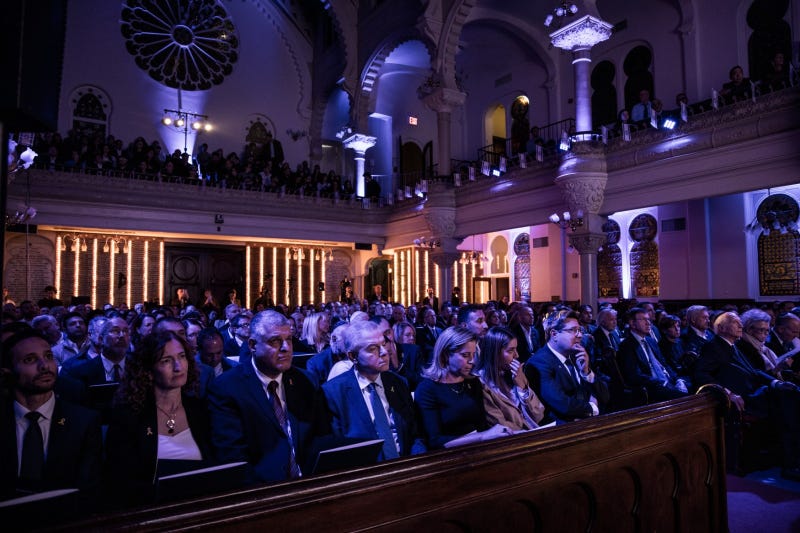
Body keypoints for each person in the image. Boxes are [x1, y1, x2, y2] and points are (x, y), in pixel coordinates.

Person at [208, 310, 330, 484]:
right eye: (275, 341)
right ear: (252, 345)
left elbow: (322, 437)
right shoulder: (227, 389)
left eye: (289, 339)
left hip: (311, 483)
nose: (286, 348)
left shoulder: (306, 381)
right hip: (261, 491)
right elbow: (233, 458)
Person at [105, 331, 213, 504]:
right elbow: (120, 481)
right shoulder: (129, 416)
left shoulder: (199, 409)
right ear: (148, 370)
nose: (178, 366)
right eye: (166, 360)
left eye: (182, 356)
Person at [694, 312, 800, 482]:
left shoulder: (733, 345)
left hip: (755, 391)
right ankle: (790, 463)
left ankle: (791, 460)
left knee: (790, 393)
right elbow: (701, 374)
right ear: (721, 328)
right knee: (789, 402)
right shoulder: (713, 346)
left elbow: (754, 371)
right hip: (743, 397)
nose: (740, 326)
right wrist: (728, 393)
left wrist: (775, 383)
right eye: (735, 323)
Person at [0, 330, 102, 500]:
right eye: (30, 360)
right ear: (7, 371)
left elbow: (89, 490)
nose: (44, 366)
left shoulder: (83, 422)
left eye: (48, 356)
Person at [322, 320, 426, 461]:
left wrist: (417, 462)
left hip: (405, 466)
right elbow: (338, 451)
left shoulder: (399, 383)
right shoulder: (333, 392)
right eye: (373, 349)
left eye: (383, 344)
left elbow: (415, 434)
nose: (384, 352)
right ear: (353, 356)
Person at [414, 327, 513, 449]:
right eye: (465, 355)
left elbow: (481, 425)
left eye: (473, 355)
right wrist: (482, 436)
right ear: (445, 355)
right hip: (448, 457)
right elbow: (435, 440)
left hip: (478, 449)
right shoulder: (427, 389)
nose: (472, 361)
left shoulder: (473, 382)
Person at [525, 311, 609, 423]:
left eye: (580, 330)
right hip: (561, 429)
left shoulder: (577, 354)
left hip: (588, 422)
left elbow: (605, 396)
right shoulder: (540, 362)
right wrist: (592, 408)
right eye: (573, 330)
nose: (579, 335)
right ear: (554, 334)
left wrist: (586, 372)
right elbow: (561, 403)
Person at [475, 327, 546, 431]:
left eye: (516, 349)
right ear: (495, 353)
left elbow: (538, 415)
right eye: (511, 350)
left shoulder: (516, 374)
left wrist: (522, 386)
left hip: (534, 432)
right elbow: (500, 425)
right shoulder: (481, 383)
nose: (516, 355)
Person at [618, 308, 688, 402]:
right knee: (683, 397)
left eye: (648, 319)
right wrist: (660, 383)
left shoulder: (651, 341)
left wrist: (678, 379)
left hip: (667, 380)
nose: (648, 323)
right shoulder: (626, 346)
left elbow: (664, 364)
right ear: (632, 323)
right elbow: (635, 375)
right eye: (643, 320)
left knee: (694, 386)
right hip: (652, 387)